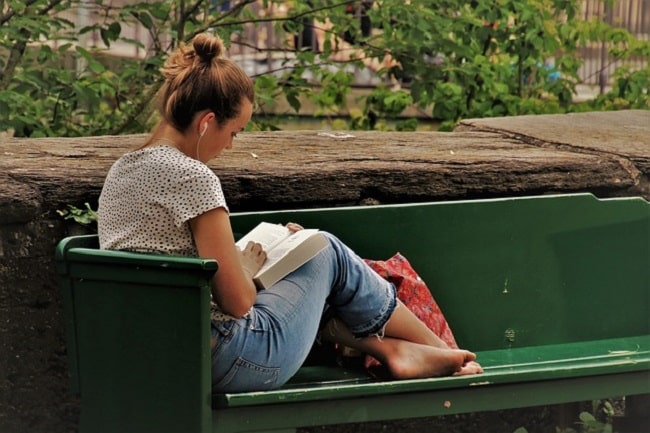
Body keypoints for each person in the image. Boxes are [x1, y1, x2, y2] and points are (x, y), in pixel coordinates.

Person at [98, 32, 483, 393]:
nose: (230, 146)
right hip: (222, 358)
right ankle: (446, 351)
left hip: (141, 352)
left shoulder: (121, 171)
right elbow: (238, 303)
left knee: (309, 262)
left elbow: (180, 258)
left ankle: (392, 350)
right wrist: (246, 268)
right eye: (234, 132)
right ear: (206, 122)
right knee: (326, 251)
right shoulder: (194, 179)